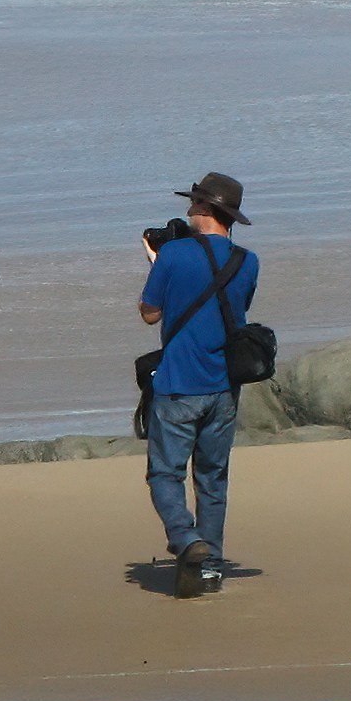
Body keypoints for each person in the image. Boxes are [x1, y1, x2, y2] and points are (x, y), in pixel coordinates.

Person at [136, 170, 258, 599]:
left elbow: (150, 313)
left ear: (205, 208)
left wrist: (158, 264)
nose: (187, 210)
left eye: (192, 203)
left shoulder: (173, 255)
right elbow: (230, 310)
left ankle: (186, 540)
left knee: (164, 474)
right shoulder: (248, 260)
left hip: (177, 385)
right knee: (212, 479)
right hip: (224, 387)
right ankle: (208, 570)